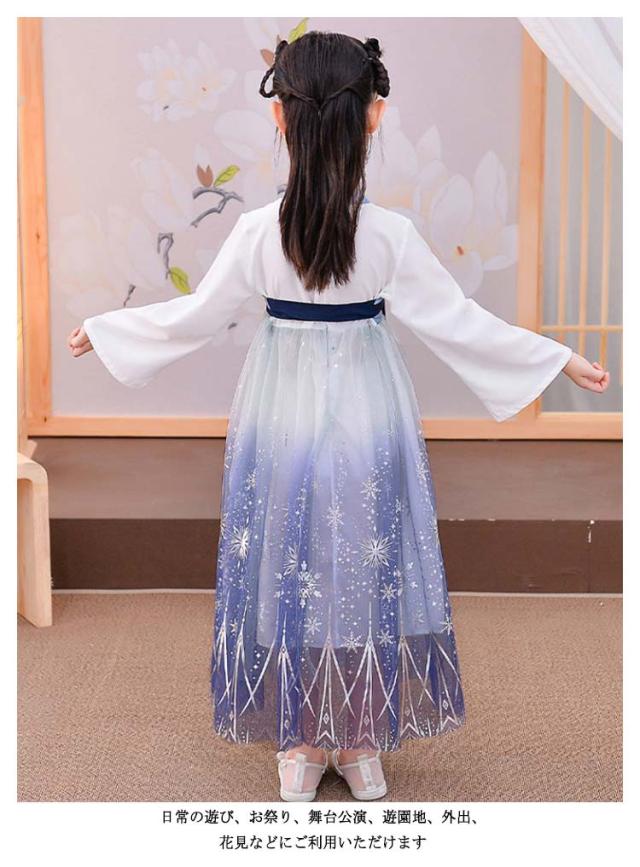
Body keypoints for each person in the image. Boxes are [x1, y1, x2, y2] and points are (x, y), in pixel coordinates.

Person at [67, 31, 609, 802]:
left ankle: (303, 740)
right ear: (373, 116)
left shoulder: (259, 231)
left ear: (280, 118)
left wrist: (110, 329)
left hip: (278, 408)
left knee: (286, 559)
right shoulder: (389, 234)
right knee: (359, 561)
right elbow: (458, 322)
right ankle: (354, 739)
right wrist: (555, 357)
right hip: (368, 403)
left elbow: (194, 316)